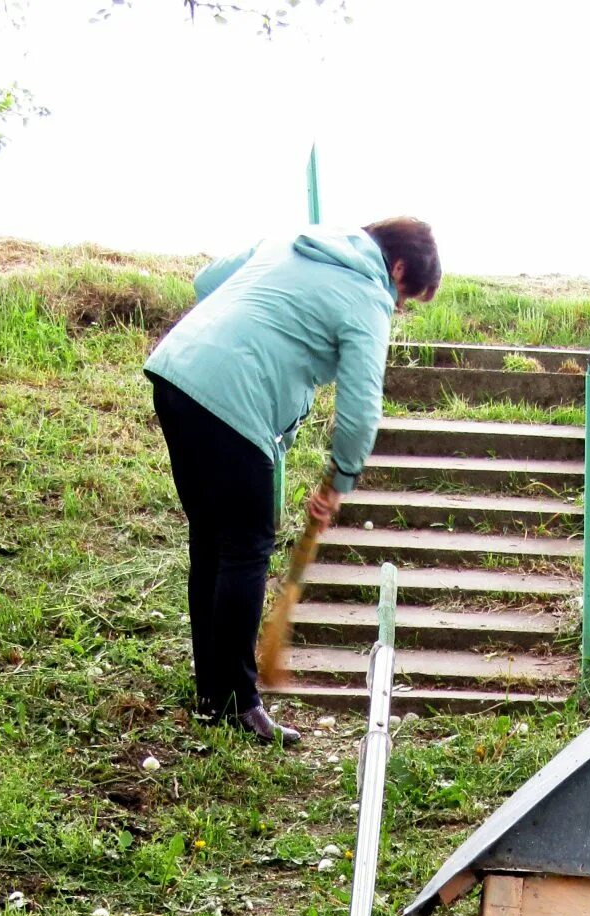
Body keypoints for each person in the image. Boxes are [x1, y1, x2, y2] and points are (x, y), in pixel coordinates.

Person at [145, 217, 441, 745]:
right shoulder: (367, 294)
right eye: (406, 298)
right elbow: (359, 410)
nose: (399, 309)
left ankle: (213, 691)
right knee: (245, 547)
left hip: (175, 374)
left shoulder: (292, 240)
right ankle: (238, 702)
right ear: (396, 268)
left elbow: (206, 283)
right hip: (232, 402)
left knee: (211, 542)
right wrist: (341, 477)